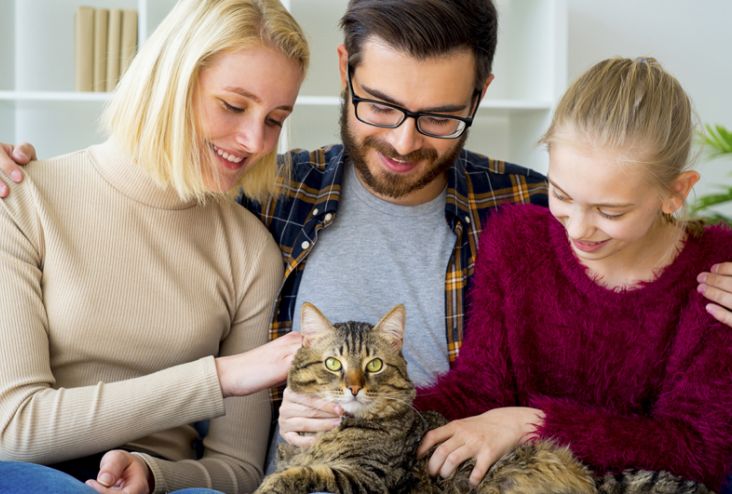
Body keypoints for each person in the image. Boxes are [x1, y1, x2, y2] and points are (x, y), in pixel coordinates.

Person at [3, 0, 732, 478]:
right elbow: (147, 190)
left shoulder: (539, 211)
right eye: (380, 105)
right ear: (347, 71)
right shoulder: (264, 190)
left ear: (480, 96)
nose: (404, 141)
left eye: (441, 115)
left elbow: (646, 234)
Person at [0, 0, 308, 493]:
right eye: (232, 105)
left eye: (274, 119)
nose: (253, 141)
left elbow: (240, 469)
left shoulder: (249, 250)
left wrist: (157, 474)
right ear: (171, 81)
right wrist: (218, 378)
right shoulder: (23, 199)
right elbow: (11, 430)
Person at [414, 57, 732, 492]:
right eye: (561, 195)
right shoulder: (518, 242)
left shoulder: (716, 273)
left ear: (676, 192)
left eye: (610, 211)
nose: (578, 229)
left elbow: (696, 450)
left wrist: (533, 424)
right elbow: (477, 391)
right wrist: (364, 419)